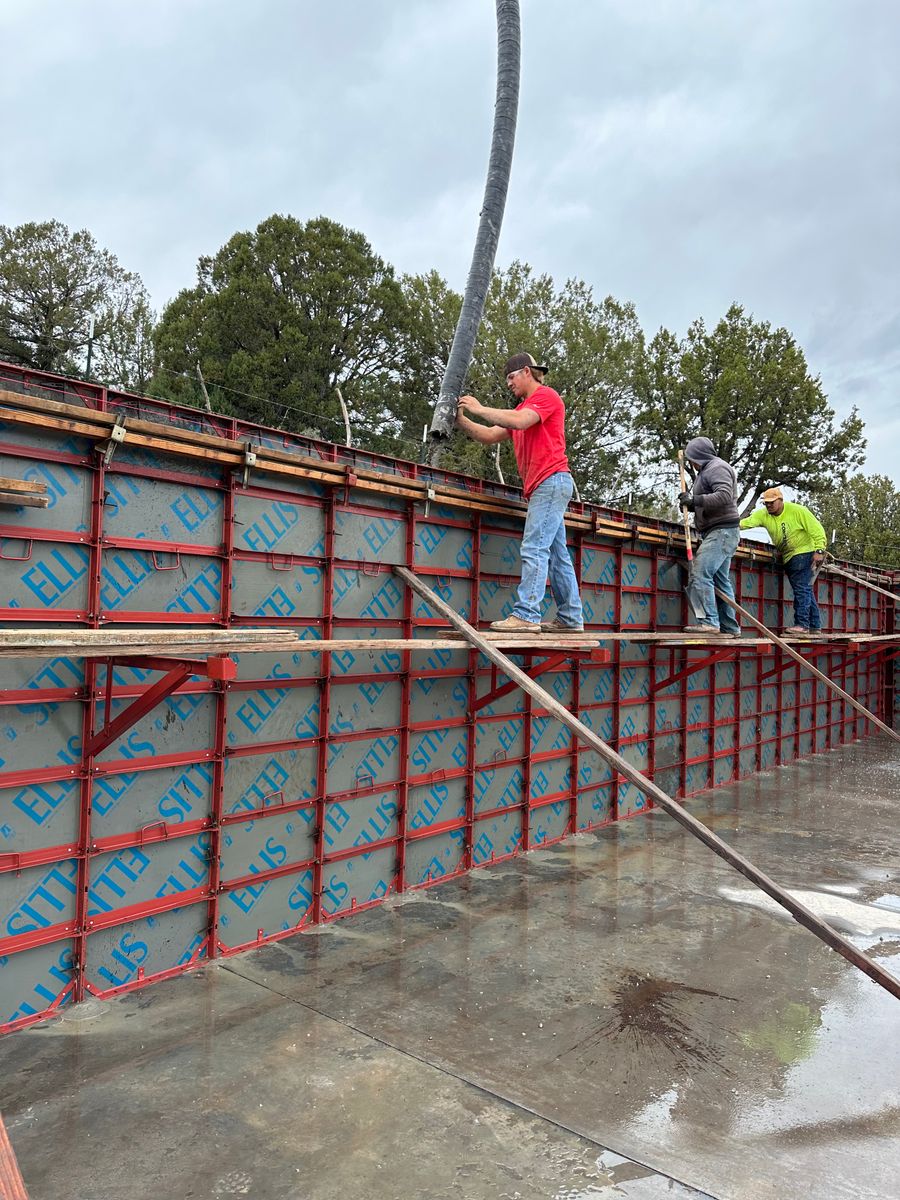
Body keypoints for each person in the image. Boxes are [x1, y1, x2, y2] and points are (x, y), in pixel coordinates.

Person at [456, 352, 584, 633]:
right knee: (556, 554)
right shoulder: (521, 410)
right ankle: (571, 618)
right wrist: (461, 419)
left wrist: (478, 407)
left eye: (511, 378)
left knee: (534, 547)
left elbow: (521, 421)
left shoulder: (545, 397)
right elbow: (489, 435)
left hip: (550, 481)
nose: (509, 384)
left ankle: (527, 614)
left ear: (527, 372)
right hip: (547, 486)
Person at [740, 487, 827, 634]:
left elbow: (817, 529)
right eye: (766, 503)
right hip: (788, 556)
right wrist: (725, 525)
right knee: (804, 589)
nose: (768, 505)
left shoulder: (798, 511)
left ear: (780, 500)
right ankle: (814, 625)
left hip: (803, 551)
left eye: (771, 502)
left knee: (801, 589)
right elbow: (745, 523)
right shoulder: (763, 515)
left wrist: (819, 550)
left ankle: (802, 625)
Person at [678, 436, 742, 637]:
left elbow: (723, 495)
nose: (691, 463)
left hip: (721, 531)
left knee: (700, 572)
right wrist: (690, 504)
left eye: (692, 458)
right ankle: (730, 627)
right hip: (721, 531)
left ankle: (709, 622)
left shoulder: (716, 468)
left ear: (699, 456)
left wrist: (694, 499)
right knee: (721, 582)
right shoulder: (708, 470)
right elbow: (710, 499)